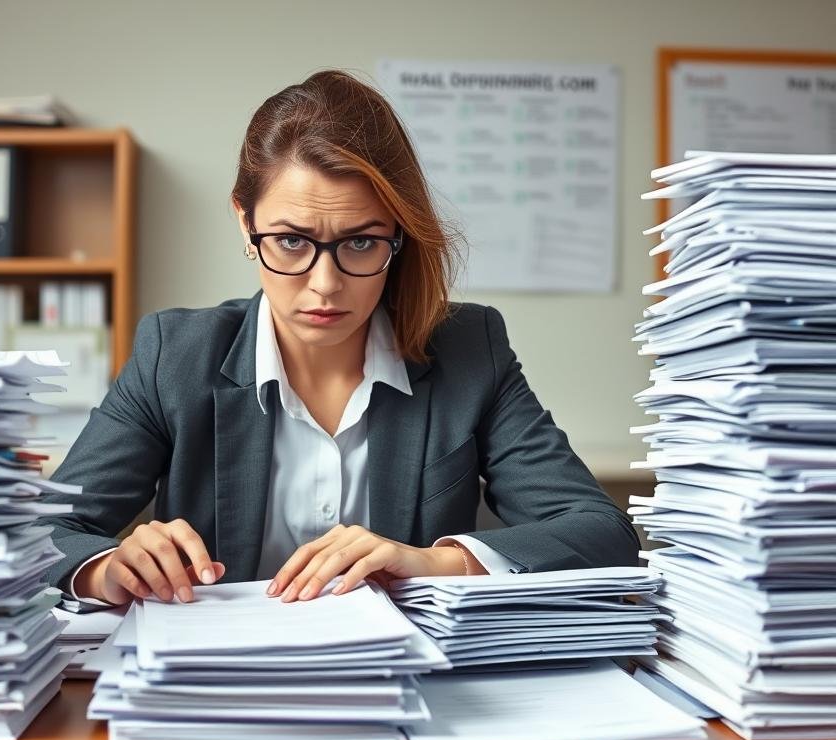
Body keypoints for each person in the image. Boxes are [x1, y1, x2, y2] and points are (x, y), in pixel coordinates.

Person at [42, 69, 639, 607]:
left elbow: (599, 531)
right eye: (292, 242)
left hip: (409, 690)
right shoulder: (173, 354)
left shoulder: (469, 348)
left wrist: (434, 563)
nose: (325, 285)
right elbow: (40, 534)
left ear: (398, 238)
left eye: (360, 242)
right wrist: (105, 568)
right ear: (245, 224)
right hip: (218, 688)